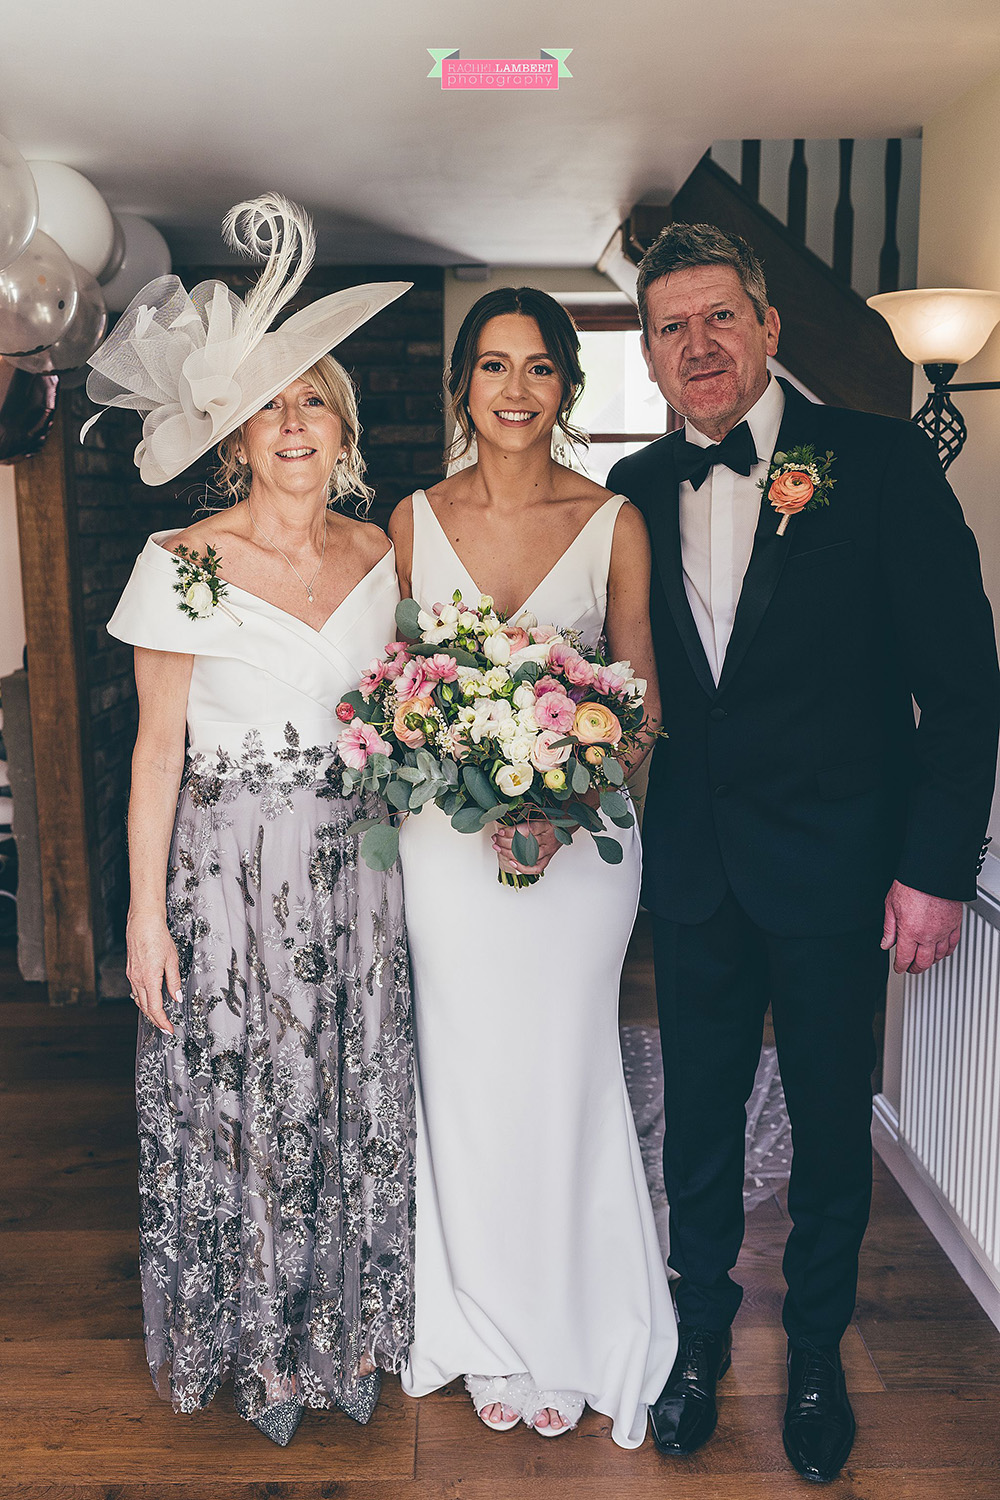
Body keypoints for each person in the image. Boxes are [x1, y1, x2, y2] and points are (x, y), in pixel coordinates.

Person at [607, 222, 1000, 1482]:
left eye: (719, 316)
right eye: (672, 327)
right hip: (693, 869)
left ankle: (818, 1351)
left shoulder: (877, 461)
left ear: (769, 327)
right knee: (697, 1125)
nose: (698, 345)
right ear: (650, 357)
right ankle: (697, 1338)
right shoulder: (628, 491)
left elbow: (963, 684)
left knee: (831, 1125)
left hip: (840, 869)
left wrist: (934, 868)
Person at [97, 195, 416, 1444]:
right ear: (238, 433)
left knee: (348, 1083)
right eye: (272, 404)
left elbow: (401, 713)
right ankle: (262, 1347)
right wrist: (143, 917)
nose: (293, 422)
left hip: (361, 866)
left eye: (314, 402)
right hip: (228, 874)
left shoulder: (381, 555)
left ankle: (349, 1330)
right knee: (246, 1093)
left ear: (342, 430)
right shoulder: (180, 559)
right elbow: (156, 752)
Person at [389, 286, 677, 1447]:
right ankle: (481, 1323)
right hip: (445, 852)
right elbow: (397, 695)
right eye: (494, 365)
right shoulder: (411, 519)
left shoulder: (614, 521)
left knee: (563, 1069)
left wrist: (567, 806)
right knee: (465, 1074)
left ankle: (573, 1322)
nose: (515, 389)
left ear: (566, 385)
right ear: (462, 384)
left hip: (581, 846)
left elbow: (640, 704)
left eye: (539, 367)